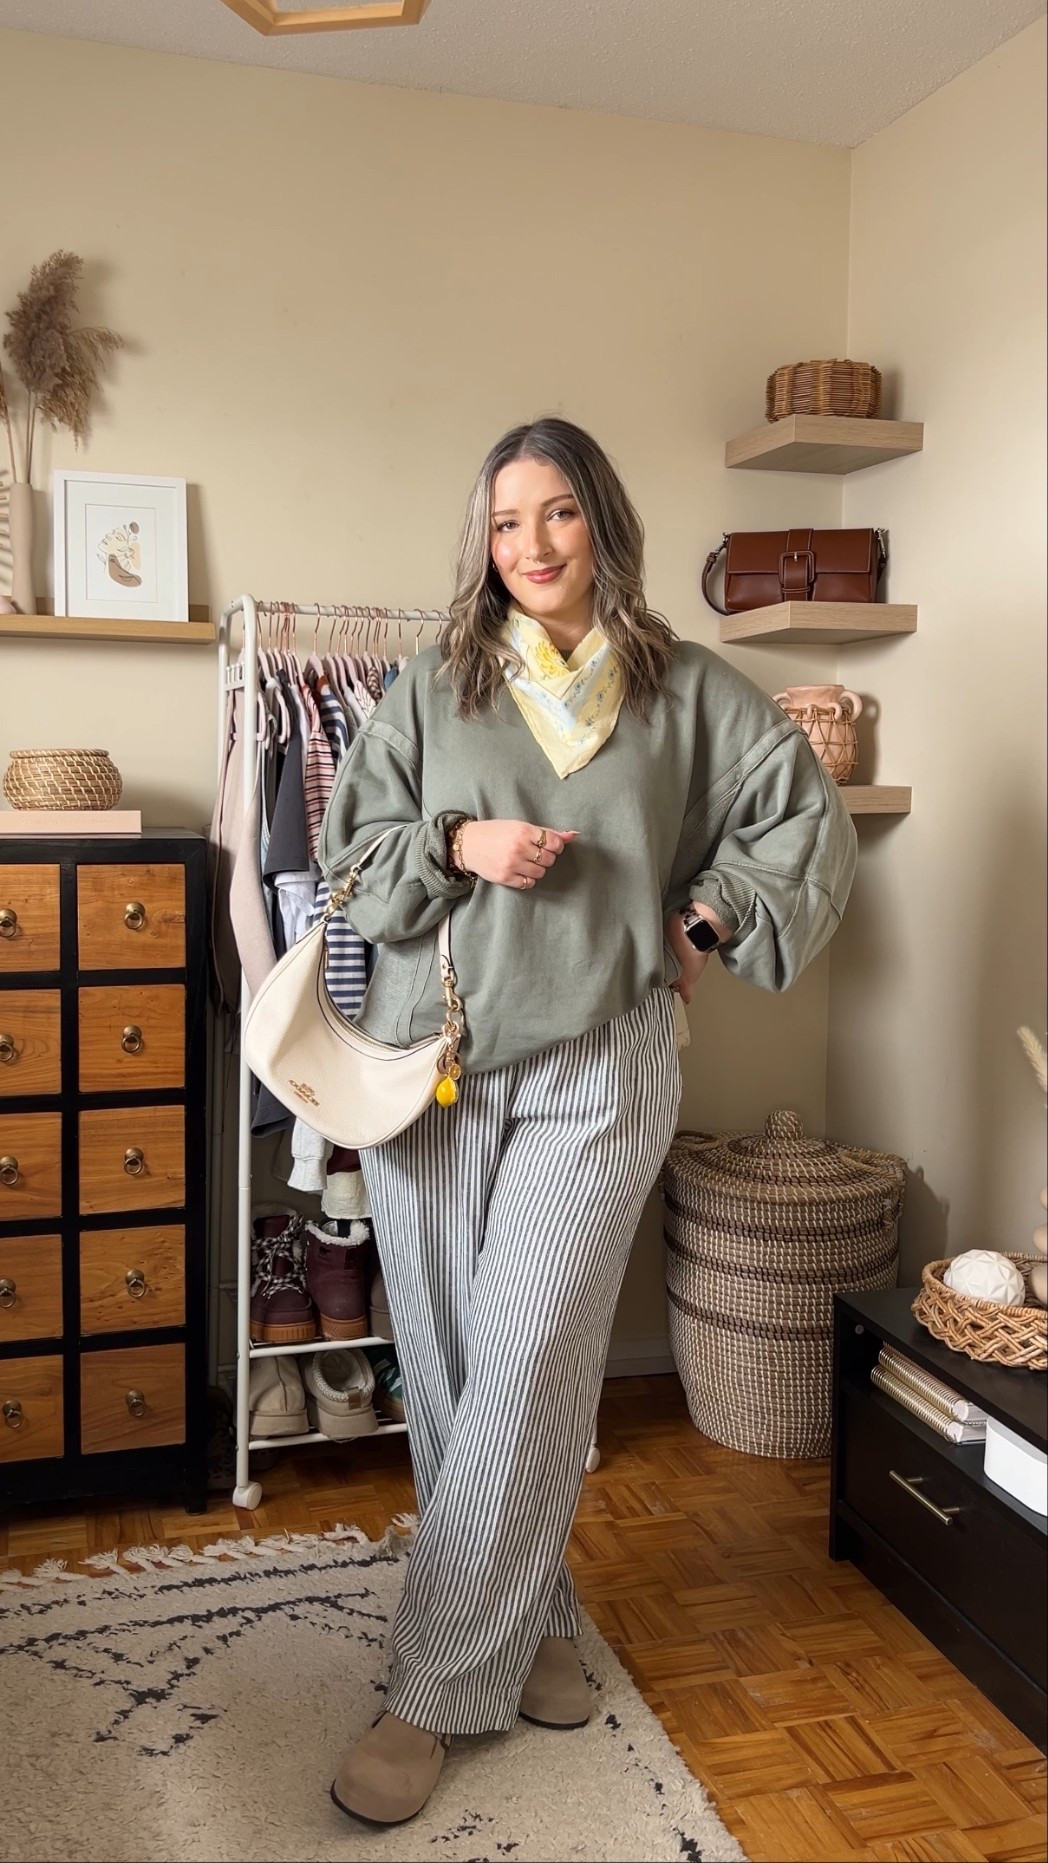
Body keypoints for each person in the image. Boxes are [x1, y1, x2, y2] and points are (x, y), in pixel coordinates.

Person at [317, 416, 857, 1824]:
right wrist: (457, 843)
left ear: (601, 526)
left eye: (557, 516)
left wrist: (709, 908)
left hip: (604, 1071)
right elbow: (354, 854)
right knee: (448, 1371)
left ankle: (430, 1692)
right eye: (506, 524)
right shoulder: (436, 685)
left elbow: (797, 812)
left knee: (531, 1357)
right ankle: (536, 1622)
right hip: (439, 1065)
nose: (532, 548)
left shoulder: (687, 691)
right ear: (483, 543)